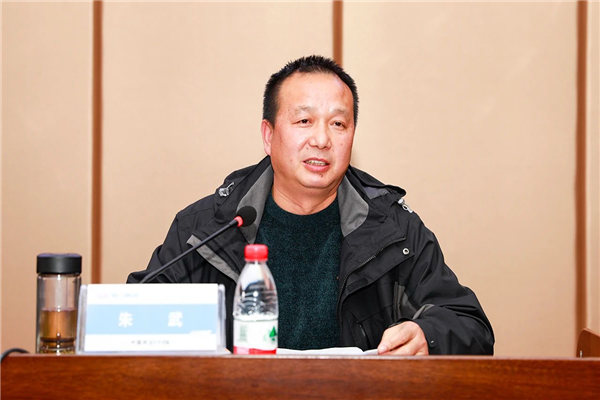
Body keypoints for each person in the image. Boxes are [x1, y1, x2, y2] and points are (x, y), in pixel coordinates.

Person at [128, 55, 494, 355]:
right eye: (304, 121)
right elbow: (134, 321)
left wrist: (427, 336)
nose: (321, 139)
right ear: (269, 135)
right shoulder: (208, 228)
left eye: (338, 124)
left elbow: (471, 326)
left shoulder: (393, 230)